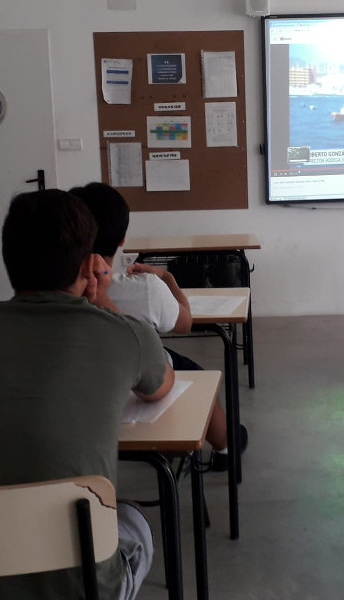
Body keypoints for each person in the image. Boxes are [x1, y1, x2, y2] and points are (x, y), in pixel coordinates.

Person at [0, 189, 173, 598]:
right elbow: (160, 386)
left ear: (9, 261)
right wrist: (101, 301)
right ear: (88, 264)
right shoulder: (124, 337)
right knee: (132, 521)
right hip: (80, 582)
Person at [71, 182, 247, 472]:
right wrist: (168, 279)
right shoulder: (146, 288)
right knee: (199, 376)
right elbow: (184, 322)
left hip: (82, 397)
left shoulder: (61, 292)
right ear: (121, 239)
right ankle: (225, 447)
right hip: (143, 386)